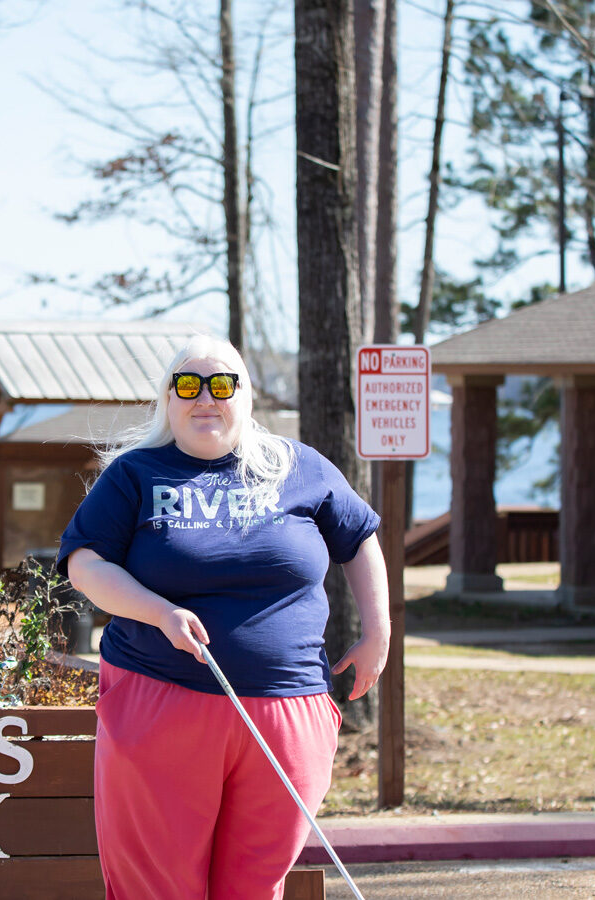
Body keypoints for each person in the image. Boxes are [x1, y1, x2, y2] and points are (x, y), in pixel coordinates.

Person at [59, 335, 389, 900]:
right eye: (187, 385)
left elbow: (359, 540)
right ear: (167, 399)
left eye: (222, 384)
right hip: (162, 701)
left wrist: (378, 630)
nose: (204, 398)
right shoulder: (135, 475)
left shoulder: (299, 467)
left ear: (247, 395)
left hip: (289, 709)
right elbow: (86, 565)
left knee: (256, 885)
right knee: (155, 886)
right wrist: (159, 612)